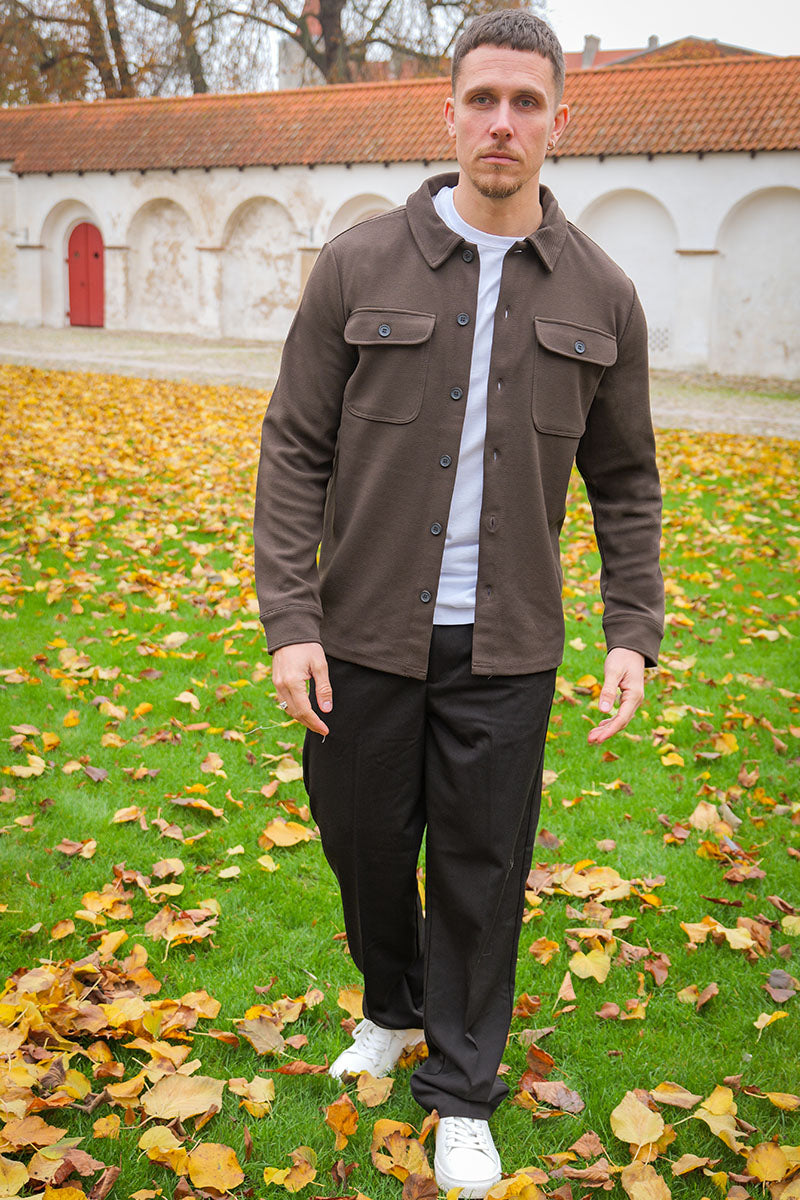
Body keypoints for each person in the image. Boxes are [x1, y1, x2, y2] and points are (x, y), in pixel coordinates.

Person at [253, 10, 664, 1195]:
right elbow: (293, 448)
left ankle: (463, 1090)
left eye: (524, 102)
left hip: (506, 643)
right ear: (447, 113)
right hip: (361, 631)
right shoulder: (357, 265)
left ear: (556, 122)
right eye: (481, 98)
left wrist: (630, 628)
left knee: (481, 871)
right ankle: (390, 1007)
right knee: (363, 846)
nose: (500, 122)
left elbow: (625, 480)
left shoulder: (604, 293)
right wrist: (291, 620)